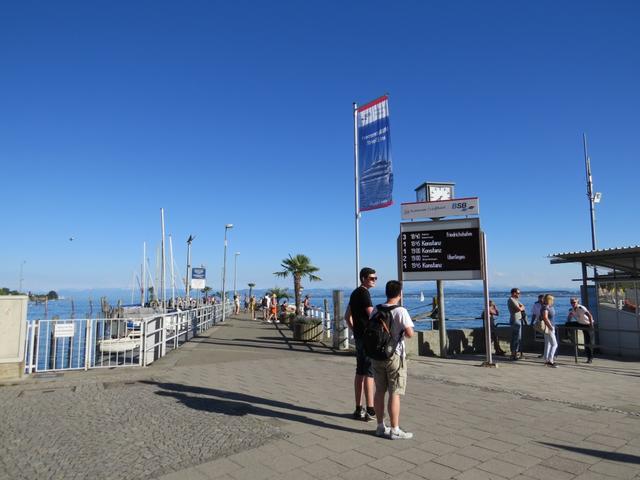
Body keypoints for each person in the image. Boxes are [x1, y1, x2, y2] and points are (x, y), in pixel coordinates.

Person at [371, 280, 415, 439]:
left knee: (379, 391)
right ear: (400, 293)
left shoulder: (376, 309)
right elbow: (410, 334)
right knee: (394, 392)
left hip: (376, 355)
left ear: (386, 292)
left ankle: (380, 426)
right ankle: (395, 429)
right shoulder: (401, 311)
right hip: (394, 355)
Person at [345, 267, 377, 421]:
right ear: (363, 278)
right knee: (369, 373)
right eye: (372, 278)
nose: (374, 280)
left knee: (360, 372)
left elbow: (347, 316)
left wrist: (355, 330)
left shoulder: (354, 293)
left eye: (375, 278)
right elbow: (373, 314)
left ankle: (358, 408)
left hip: (359, 337)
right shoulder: (364, 293)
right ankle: (370, 409)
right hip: (367, 338)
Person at [566, 297, 594, 363]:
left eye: (574, 302)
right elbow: (569, 317)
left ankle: (590, 358)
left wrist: (591, 325)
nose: (573, 304)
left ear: (577, 302)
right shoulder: (571, 309)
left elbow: (590, 315)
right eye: (571, 302)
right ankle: (567, 336)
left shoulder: (581, 308)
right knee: (567, 324)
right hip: (580, 323)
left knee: (588, 342)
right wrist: (568, 322)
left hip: (587, 324)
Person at [507, 288, 526, 360]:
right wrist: (522, 307)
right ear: (514, 293)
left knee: (516, 337)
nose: (519, 294)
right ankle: (514, 354)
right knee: (517, 338)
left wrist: (522, 307)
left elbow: (523, 306)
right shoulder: (511, 300)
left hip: (518, 320)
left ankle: (514, 353)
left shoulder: (516, 300)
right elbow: (520, 309)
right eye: (518, 293)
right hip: (515, 320)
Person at [541, 294, 558, 367]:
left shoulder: (547, 307)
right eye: (552, 300)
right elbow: (545, 318)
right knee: (554, 344)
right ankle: (550, 360)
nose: (553, 301)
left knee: (548, 344)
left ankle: (546, 360)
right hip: (549, 327)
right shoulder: (545, 307)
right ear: (549, 300)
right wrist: (550, 327)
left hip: (548, 327)